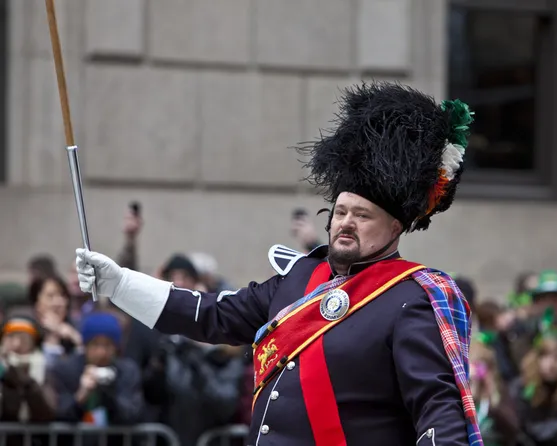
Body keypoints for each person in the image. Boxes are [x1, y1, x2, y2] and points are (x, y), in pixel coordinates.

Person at [75, 82, 482, 445]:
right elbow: (209, 315)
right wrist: (118, 283)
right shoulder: (301, 277)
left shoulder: (412, 298)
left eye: (362, 215)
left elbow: (436, 409)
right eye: (340, 212)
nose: (345, 223)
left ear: (395, 227)